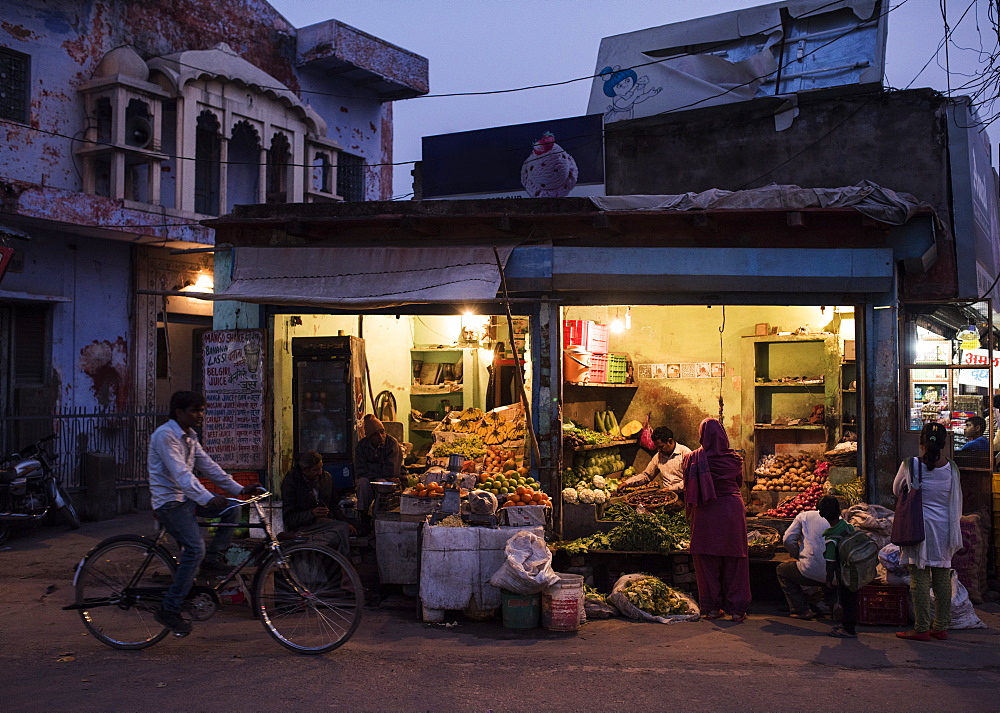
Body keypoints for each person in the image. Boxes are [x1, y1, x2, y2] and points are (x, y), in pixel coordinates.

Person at [149, 391, 262, 636]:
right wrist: (208, 498)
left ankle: (214, 558)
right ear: (179, 412)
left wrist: (239, 489)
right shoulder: (165, 436)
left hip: (187, 500)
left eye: (201, 410)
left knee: (232, 509)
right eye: (194, 410)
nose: (200, 415)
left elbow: (210, 467)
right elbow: (182, 475)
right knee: (194, 549)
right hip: (170, 504)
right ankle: (169, 608)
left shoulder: (190, 437)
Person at [893, 421, 963, 641]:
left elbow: (896, 490)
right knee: (942, 576)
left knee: (919, 578)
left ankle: (921, 628)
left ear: (921, 442)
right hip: (944, 529)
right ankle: (940, 626)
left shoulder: (910, 465)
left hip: (918, 526)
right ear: (943, 443)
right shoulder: (951, 467)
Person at [682, 418, 751, 623]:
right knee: (735, 559)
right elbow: (738, 483)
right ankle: (737, 610)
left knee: (706, 559)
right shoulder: (734, 459)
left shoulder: (693, 458)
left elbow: (688, 487)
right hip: (731, 509)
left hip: (706, 510)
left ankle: (712, 609)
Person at [281, 451, 355, 558]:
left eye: (321, 468)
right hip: (303, 527)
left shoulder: (326, 478)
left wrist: (345, 522)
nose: (320, 472)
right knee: (340, 532)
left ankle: (312, 542)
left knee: (342, 530)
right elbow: (289, 518)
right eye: (316, 470)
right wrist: (311, 514)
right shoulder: (291, 481)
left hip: (324, 524)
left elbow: (334, 506)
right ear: (305, 470)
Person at [776, 504, 838, 619]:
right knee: (833, 577)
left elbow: (788, 540)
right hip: (835, 574)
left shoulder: (804, 516)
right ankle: (835, 605)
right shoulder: (842, 520)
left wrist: (799, 556)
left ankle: (800, 610)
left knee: (782, 570)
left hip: (810, 571)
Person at [820, 495, 859, 638]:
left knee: (846, 600)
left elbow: (830, 561)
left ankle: (848, 629)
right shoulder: (847, 526)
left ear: (821, 514)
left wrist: (828, 579)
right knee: (852, 600)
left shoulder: (831, 537)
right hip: (855, 569)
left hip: (845, 573)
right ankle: (847, 624)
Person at [354, 414, 403, 516]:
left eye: (382, 432)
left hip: (384, 481)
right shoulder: (362, 446)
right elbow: (360, 471)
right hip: (370, 479)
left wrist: (371, 468)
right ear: (369, 437)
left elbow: (391, 471)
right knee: (362, 483)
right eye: (376, 435)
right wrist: (379, 471)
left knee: (382, 483)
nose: (381, 437)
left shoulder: (391, 443)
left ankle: (380, 514)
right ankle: (363, 516)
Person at [620, 426, 692, 491]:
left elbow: (691, 480)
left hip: (686, 495)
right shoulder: (658, 456)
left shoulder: (686, 454)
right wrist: (626, 483)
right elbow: (647, 475)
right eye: (657, 447)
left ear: (669, 441)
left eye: (661, 446)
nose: (658, 450)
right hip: (668, 494)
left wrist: (670, 489)